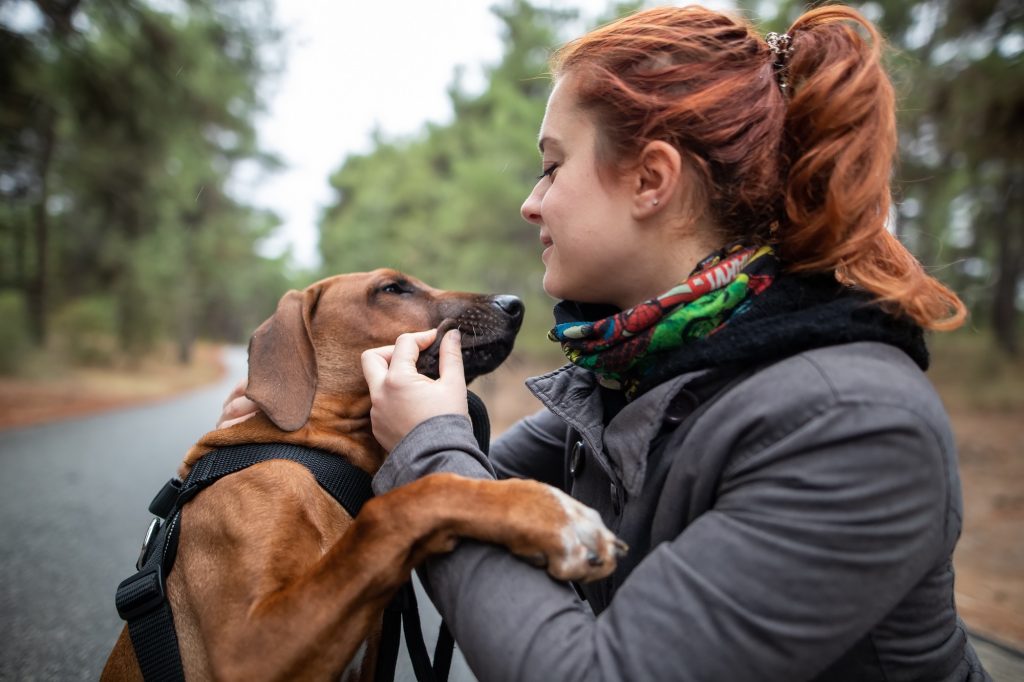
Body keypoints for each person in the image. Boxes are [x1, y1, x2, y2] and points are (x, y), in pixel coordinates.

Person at [225, 5, 991, 680]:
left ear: (651, 180)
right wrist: (277, 448)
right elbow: (471, 494)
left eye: (552, 167)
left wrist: (429, 442)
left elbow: (580, 651)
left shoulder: (853, 423)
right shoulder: (630, 380)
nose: (530, 204)